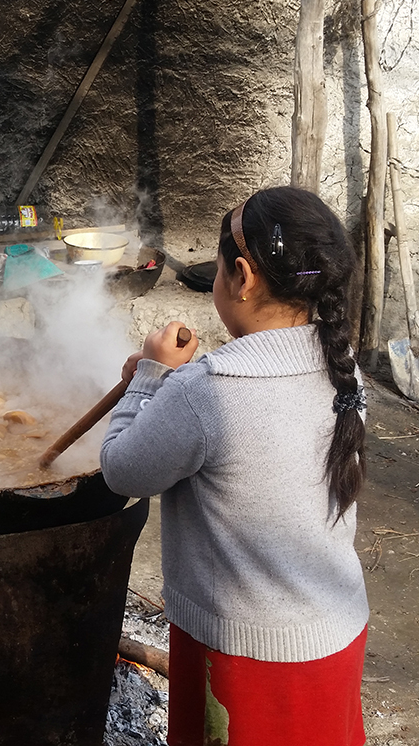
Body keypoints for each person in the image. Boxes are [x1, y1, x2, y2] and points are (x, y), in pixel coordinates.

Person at [99, 186, 369, 746]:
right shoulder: (344, 368)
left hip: (245, 655)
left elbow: (122, 470)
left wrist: (150, 378)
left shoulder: (207, 390)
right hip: (335, 632)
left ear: (241, 276)